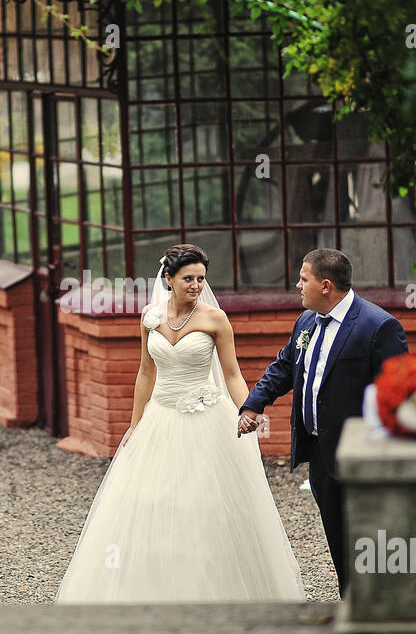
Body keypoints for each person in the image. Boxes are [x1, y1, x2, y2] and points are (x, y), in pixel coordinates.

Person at [55, 244, 305, 603]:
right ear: (168, 279)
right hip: (161, 416)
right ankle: (151, 587)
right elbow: (145, 372)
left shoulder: (214, 319)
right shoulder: (150, 317)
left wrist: (247, 410)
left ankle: (215, 589)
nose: (196, 286)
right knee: (152, 501)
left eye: (201, 279)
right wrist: (134, 423)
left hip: (207, 419)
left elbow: (232, 373)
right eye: (188, 278)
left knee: (203, 501)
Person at [238, 248, 408, 598]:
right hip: (320, 452)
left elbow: (398, 393)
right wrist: (255, 404)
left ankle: (382, 605)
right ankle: (351, 603)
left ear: (326, 285)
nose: (298, 286)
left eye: (304, 279)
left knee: (371, 535)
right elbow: (285, 366)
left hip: (362, 456)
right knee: (337, 534)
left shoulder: (379, 327)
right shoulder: (307, 321)